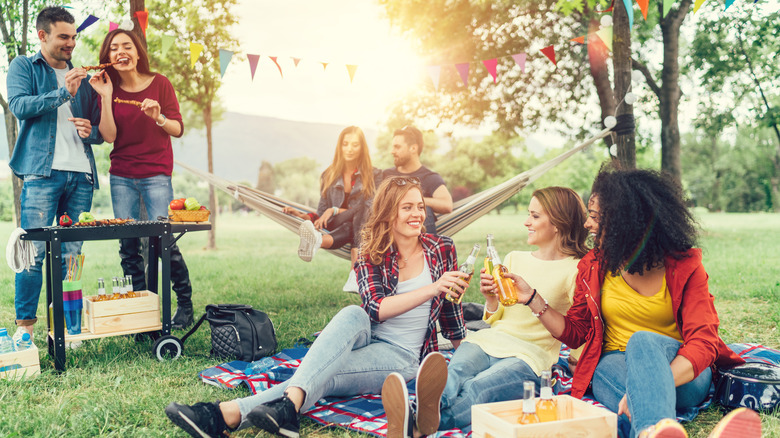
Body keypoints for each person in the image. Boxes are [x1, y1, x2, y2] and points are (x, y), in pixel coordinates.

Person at [165, 176, 468, 438]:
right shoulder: (369, 253)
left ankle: (226, 415)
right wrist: (433, 286)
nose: (418, 214)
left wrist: (464, 353)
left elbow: (452, 313)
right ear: (389, 214)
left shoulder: (441, 248)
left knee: (323, 374)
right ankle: (284, 410)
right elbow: (376, 309)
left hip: (402, 355)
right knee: (354, 313)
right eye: (408, 207)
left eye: (420, 206)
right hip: (367, 335)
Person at [508, 167, 757, 438]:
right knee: (616, 374)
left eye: (593, 216)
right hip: (615, 366)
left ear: (622, 221)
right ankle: (653, 429)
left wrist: (647, 386)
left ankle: (650, 425)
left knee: (643, 341)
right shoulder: (593, 266)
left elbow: (704, 342)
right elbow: (577, 332)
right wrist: (532, 299)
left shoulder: (684, 267)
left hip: (683, 372)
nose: (586, 224)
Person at [381, 186, 590, 435]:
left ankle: (411, 425)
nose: (526, 222)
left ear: (557, 223)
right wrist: (490, 298)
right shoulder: (513, 258)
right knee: (453, 375)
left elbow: (577, 330)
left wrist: (534, 300)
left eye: (535, 216)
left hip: (528, 357)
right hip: (488, 341)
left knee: (476, 388)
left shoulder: (575, 269)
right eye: (528, 214)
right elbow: (496, 316)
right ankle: (415, 417)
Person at [7, 6, 102, 344]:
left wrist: (90, 130)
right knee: (33, 254)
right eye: (64, 36)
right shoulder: (24, 66)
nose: (71, 44)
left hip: (81, 176)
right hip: (41, 174)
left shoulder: (84, 76)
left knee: (71, 258)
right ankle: (26, 330)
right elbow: (19, 106)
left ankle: (62, 328)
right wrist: (64, 92)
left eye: (74, 37)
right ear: (43, 35)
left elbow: (98, 132)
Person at [88, 29, 195, 329]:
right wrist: (106, 98)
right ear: (107, 58)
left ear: (138, 53)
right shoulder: (107, 87)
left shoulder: (160, 83)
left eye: (127, 46)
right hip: (122, 176)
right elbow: (108, 136)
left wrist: (158, 116)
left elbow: (177, 129)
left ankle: (184, 306)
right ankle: (141, 312)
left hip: (156, 176)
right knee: (129, 245)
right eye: (114, 48)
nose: (120, 52)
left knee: (162, 241)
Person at [284, 126, 381, 264]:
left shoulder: (374, 175)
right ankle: (357, 265)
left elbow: (371, 209)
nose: (349, 149)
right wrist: (301, 216)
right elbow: (321, 213)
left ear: (362, 148)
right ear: (340, 146)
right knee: (354, 218)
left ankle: (318, 241)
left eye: (355, 145)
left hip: (362, 227)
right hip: (334, 224)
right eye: (345, 144)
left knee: (357, 217)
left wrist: (333, 210)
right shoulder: (328, 175)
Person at [383, 126, 452, 235]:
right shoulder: (386, 175)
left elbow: (447, 204)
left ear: (413, 148)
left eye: (397, 147)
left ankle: (425, 250)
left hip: (418, 235)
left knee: (425, 210)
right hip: (388, 237)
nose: (392, 151)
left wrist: (415, 202)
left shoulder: (429, 177)